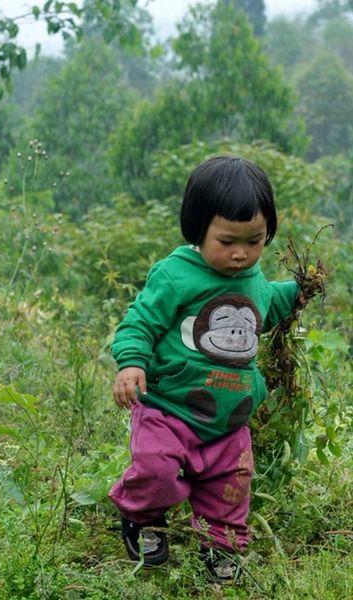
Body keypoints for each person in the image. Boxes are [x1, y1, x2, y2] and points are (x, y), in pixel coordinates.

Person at [109, 156, 303, 582]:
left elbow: (266, 307)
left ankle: (222, 546)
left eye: (255, 241)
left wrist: (302, 290)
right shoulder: (177, 275)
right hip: (168, 408)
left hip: (229, 420)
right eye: (228, 241)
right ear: (198, 230)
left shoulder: (254, 278)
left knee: (230, 489)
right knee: (156, 471)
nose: (241, 254)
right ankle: (144, 519)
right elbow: (139, 321)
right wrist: (132, 362)